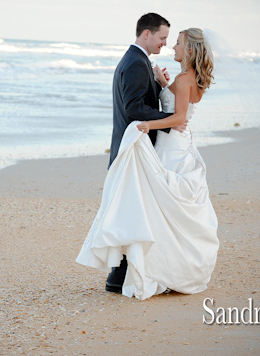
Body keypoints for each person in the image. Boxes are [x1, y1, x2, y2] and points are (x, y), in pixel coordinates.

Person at [76, 27, 219, 300]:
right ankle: (163, 266)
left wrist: (147, 124)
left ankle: (159, 269)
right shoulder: (188, 78)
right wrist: (162, 83)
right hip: (179, 144)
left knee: (160, 207)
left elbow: (178, 117)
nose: (172, 47)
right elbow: (180, 103)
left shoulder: (185, 77)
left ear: (189, 50)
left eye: (177, 43)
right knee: (164, 208)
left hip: (172, 148)